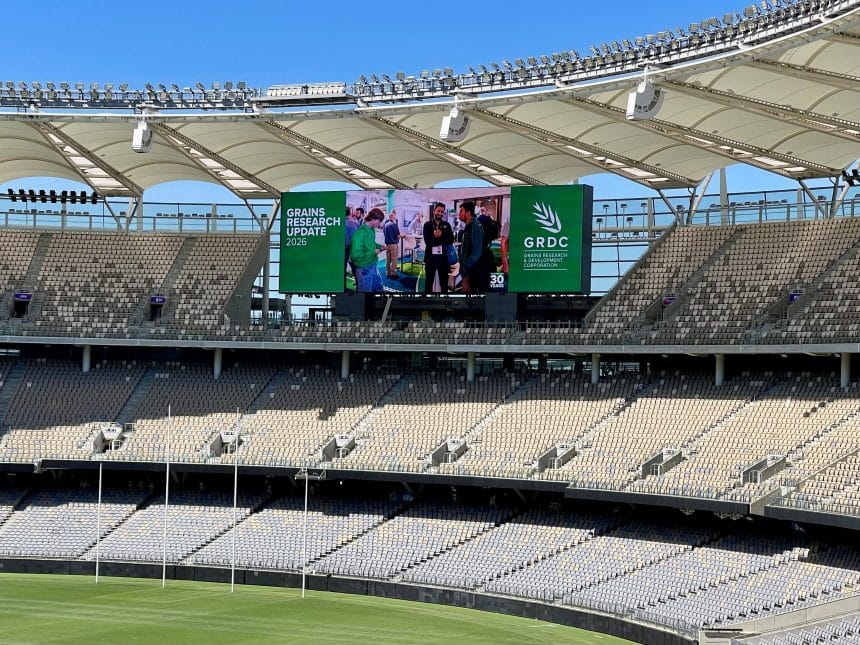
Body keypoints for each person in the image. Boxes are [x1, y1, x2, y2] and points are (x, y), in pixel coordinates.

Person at [422, 202, 455, 294]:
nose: (440, 213)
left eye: (442, 212)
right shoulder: (427, 225)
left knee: (444, 284)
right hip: (430, 258)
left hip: (443, 259)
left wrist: (441, 235)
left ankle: (444, 303)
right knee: (428, 283)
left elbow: (451, 240)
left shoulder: (446, 225)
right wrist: (439, 239)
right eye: (438, 211)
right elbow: (427, 242)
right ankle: (428, 303)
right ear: (434, 211)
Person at [350, 208, 385, 292]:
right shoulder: (359, 233)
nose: (380, 223)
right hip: (364, 270)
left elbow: (372, 244)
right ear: (373, 218)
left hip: (373, 265)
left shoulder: (371, 230)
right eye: (379, 221)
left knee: (379, 289)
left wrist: (380, 247)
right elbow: (355, 256)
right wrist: (373, 252)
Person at [456, 200, 484, 294]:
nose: (459, 214)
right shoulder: (468, 227)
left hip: (471, 271)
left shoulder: (475, 227)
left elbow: (476, 252)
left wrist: (465, 267)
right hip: (467, 270)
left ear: (468, 213)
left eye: (461, 211)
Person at [382, 209, 404, 279]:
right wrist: (403, 236)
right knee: (394, 259)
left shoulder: (385, 225)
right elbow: (398, 235)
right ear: (393, 217)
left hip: (387, 245)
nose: (395, 218)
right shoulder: (394, 225)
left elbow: (384, 233)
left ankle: (388, 272)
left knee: (388, 260)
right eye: (394, 216)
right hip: (393, 245)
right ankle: (393, 273)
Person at [345, 206, 361, 283]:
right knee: (355, 270)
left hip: (343, 250)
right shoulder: (355, 224)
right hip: (353, 249)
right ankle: (359, 288)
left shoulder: (337, 224)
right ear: (350, 213)